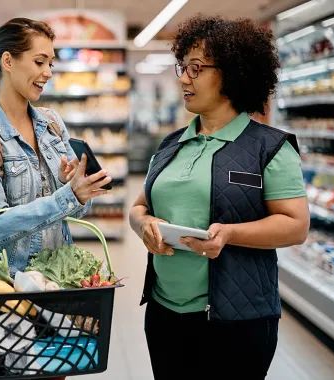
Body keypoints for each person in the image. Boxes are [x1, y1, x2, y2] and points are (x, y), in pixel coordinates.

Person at [128, 15, 310, 380]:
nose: (183, 78)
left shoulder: (268, 147)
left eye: (196, 68)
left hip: (237, 321)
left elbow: (295, 225)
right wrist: (145, 224)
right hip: (164, 313)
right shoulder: (171, 145)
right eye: (183, 67)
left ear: (232, 73)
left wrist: (229, 234)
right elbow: (139, 206)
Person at [0, 18, 112, 378]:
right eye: (39, 62)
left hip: (53, 290)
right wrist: (64, 196)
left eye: (51, 64)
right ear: (8, 61)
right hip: (6, 295)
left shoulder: (51, 123)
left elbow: (77, 208)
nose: (47, 73)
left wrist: (77, 189)